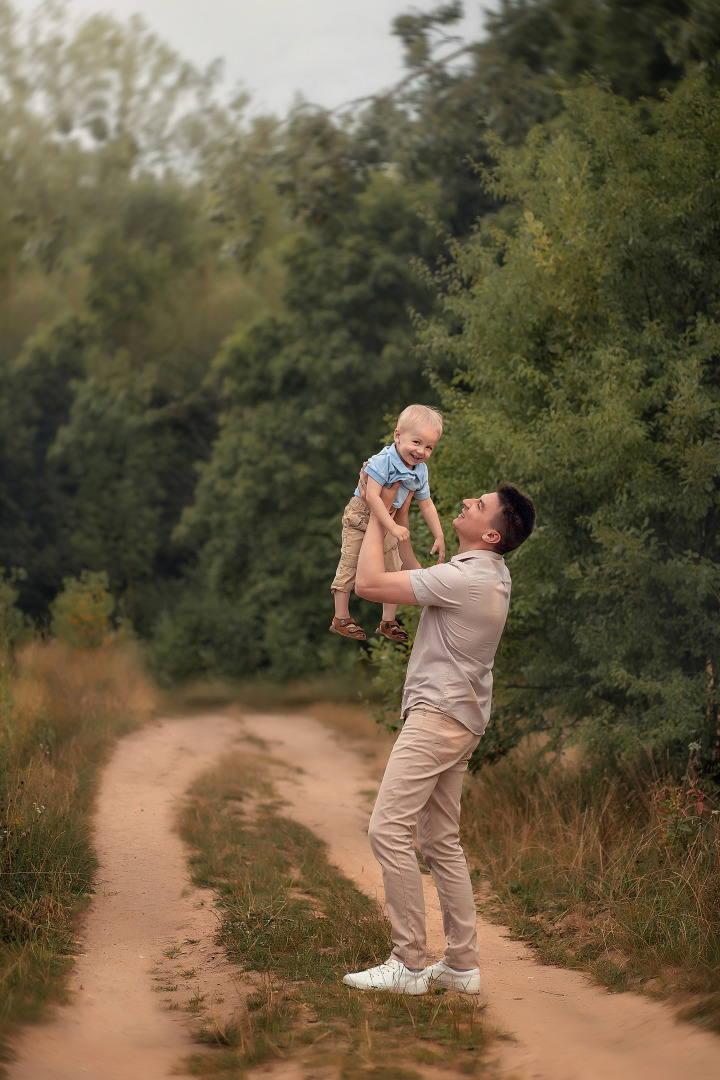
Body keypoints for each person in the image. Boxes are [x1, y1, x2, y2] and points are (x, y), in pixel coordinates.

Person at [343, 481, 536, 995]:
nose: (470, 500)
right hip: (461, 719)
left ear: (491, 532)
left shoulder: (468, 579)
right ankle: (461, 966)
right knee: (439, 841)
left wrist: (375, 513)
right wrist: (400, 518)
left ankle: (407, 963)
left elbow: (368, 585)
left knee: (387, 830)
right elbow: (416, 577)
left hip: (436, 718)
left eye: (482, 504)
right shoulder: (488, 573)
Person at [329, 404, 445, 645]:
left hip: (390, 516)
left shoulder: (420, 471)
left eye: (429, 447)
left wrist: (439, 535)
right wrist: (392, 527)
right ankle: (341, 617)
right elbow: (371, 496)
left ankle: (388, 621)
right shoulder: (385, 460)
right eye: (416, 442)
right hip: (362, 513)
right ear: (397, 435)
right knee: (350, 561)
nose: (421, 451)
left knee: (392, 568)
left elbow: (426, 504)